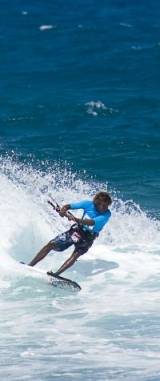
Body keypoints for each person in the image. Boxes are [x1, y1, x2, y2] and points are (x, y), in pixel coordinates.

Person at [28, 191, 112, 277]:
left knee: (75, 255)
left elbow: (92, 222)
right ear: (96, 202)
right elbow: (68, 206)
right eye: (101, 204)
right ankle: (30, 265)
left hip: (88, 238)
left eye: (105, 206)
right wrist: (63, 210)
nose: (103, 208)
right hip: (77, 231)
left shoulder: (107, 214)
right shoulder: (88, 204)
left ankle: (56, 275)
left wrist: (77, 220)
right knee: (51, 244)